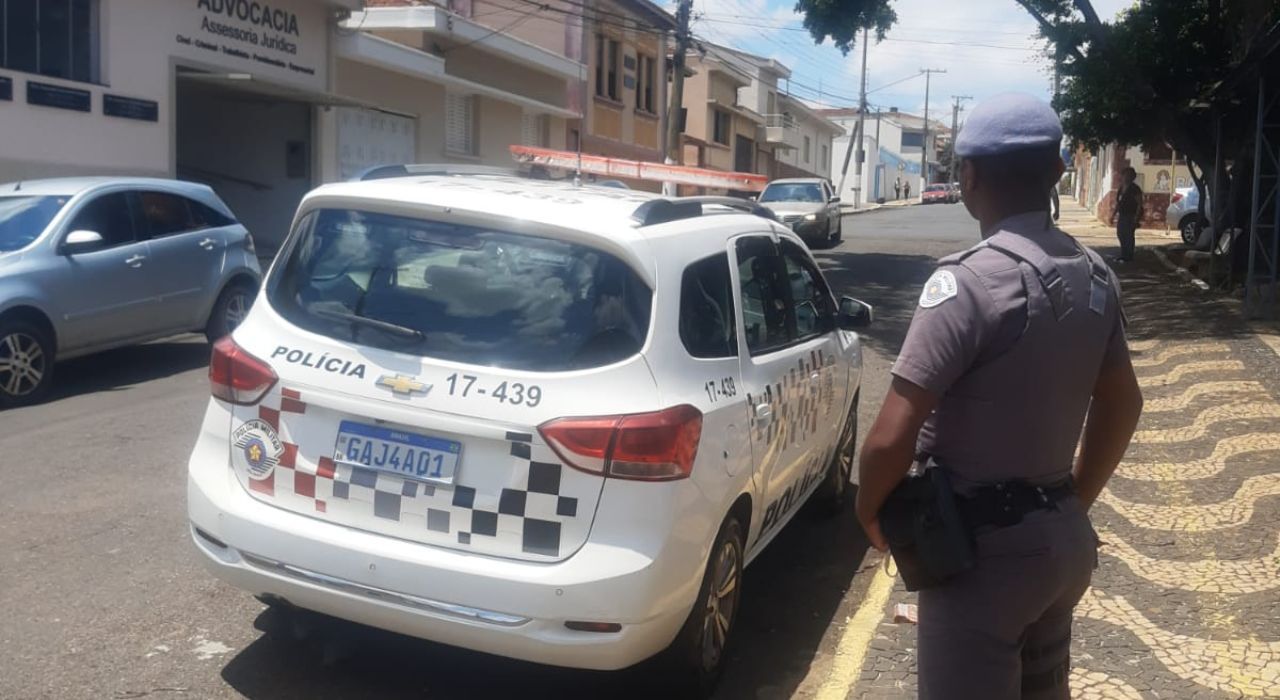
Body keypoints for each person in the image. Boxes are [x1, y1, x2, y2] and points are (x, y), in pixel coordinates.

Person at [856, 92, 1143, 700]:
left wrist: (869, 512)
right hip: (1061, 548)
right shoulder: (1095, 274)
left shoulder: (966, 283)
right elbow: (1124, 404)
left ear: (967, 176)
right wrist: (1072, 499)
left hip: (981, 562)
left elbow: (889, 436)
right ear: (1057, 171)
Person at [1111, 167, 1143, 263]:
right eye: (1125, 175)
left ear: (1132, 177)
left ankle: (1128, 256)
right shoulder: (1121, 188)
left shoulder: (1135, 189)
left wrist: (1136, 218)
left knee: (1128, 236)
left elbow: (1140, 203)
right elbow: (1119, 203)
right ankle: (1123, 254)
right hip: (1122, 215)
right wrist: (1113, 215)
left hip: (1131, 215)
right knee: (1121, 234)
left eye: (1129, 175)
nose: (1126, 177)